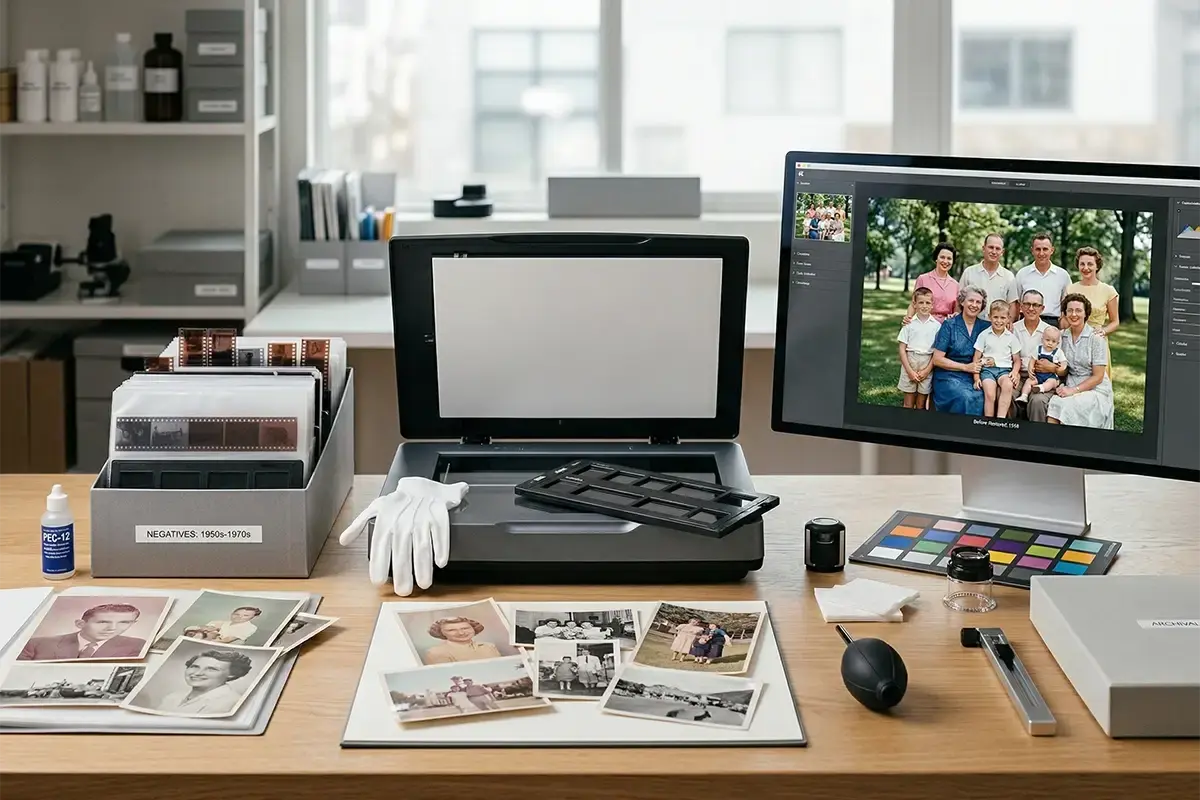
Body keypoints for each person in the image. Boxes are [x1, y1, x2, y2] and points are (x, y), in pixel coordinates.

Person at [1037, 294, 1115, 429]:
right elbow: (1060, 367)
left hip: (1095, 390)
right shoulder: (1061, 336)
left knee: (1067, 406)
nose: (1074, 314)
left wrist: (1074, 390)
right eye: (1070, 310)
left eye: (1078, 310)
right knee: (1055, 404)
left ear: (1086, 314)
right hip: (1070, 383)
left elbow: (1098, 376)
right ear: (1065, 313)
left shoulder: (1096, 338)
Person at [929, 285, 989, 416]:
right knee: (965, 397)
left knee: (987, 395)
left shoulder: (986, 327)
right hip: (948, 375)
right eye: (971, 300)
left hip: (976, 376)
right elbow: (937, 359)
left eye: (978, 302)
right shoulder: (949, 325)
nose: (974, 305)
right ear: (962, 302)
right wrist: (965, 367)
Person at [18, 603, 146, 661]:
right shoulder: (35, 644)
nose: (112, 628)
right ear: (80, 624)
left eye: (124, 623)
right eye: (102, 622)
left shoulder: (139, 646)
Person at [1068, 246, 1119, 379]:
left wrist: (1103, 331)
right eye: (1082, 264)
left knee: (1098, 380)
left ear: (1097, 266)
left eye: (1090, 264)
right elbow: (1064, 318)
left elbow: (1115, 322)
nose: (1086, 268)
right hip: (1075, 339)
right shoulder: (1071, 289)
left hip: (1097, 339)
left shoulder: (1108, 290)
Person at [156, 649, 252, 716]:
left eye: (211, 669)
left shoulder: (230, 702)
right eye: (194, 667)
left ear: (232, 674)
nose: (198, 673)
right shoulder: (173, 696)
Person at [972, 300, 1022, 418]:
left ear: (1008, 318)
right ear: (989, 317)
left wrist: (1015, 372)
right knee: (990, 393)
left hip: (1005, 371)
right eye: (995, 317)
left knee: (1008, 385)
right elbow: (976, 358)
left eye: (1002, 318)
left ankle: (1001, 419)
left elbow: (1017, 360)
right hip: (987, 371)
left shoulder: (1011, 337)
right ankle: (989, 420)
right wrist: (976, 377)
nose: (999, 321)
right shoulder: (984, 335)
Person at [896, 286, 942, 410]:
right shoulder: (908, 324)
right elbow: (902, 349)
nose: (924, 306)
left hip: (927, 363)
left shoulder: (937, 326)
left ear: (933, 305)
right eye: (921, 302)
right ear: (914, 304)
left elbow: (936, 353)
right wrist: (909, 371)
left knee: (921, 404)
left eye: (928, 302)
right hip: (910, 361)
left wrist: (927, 370)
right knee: (908, 403)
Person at [959, 233, 1019, 324]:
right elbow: (959, 300)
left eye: (997, 248)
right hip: (971, 325)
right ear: (984, 248)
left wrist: (1007, 324)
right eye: (991, 247)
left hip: (997, 327)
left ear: (1002, 252)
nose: (994, 251)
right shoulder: (969, 272)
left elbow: (1012, 305)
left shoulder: (1009, 277)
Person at [1015, 233, 1072, 327]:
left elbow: (1067, 303)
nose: (1041, 253)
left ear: (1052, 250)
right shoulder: (1022, 274)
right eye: (1038, 249)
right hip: (1026, 322)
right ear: (1032, 250)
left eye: (1045, 249)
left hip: (1053, 323)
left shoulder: (1063, 275)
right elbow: (1017, 304)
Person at [907, 243, 960, 322]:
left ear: (953, 261)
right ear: (936, 259)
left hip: (946, 328)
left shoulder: (956, 285)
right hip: (925, 324)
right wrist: (908, 318)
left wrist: (955, 315)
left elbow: (957, 312)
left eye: (949, 258)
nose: (945, 261)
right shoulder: (923, 279)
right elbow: (913, 304)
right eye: (942, 257)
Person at [1016, 326, 1067, 403]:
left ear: (1058, 343)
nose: (1050, 343)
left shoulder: (1058, 352)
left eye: (1053, 341)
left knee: (1051, 383)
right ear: (1042, 339)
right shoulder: (1038, 349)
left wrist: (1061, 367)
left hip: (1050, 376)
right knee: (1029, 381)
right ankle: (1024, 395)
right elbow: (1032, 360)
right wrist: (1030, 369)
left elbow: (1064, 362)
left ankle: (1041, 388)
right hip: (1037, 375)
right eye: (1047, 340)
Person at [423, 616, 504, 664]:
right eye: (452, 630)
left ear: (473, 629)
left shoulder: (489, 646)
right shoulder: (436, 652)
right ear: (441, 633)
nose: (461, 633)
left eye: (465, 628)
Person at [192, 606, 262, 645]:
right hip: (212, 641)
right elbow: (205, 628)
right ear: (232, 614)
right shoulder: (224, 623)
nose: (239, 617)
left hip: (226, 646)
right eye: (236, 614)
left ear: (252, 617)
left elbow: (227, 640)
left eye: (245, 615)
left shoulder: (250, 627)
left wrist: (206, 642)